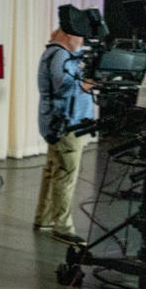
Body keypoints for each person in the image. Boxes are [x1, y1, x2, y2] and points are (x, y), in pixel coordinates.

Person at [35, 27, 94, 245]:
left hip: (59, 121)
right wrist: (88, 83)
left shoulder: (55, 53)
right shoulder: (59, 54)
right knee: (65, 174)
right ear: (68, 34)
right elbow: (63, 87)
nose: (81, 40)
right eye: (80, 35)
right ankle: (62, 226)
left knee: (54, 170)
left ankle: (44, 219)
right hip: (66, 123)